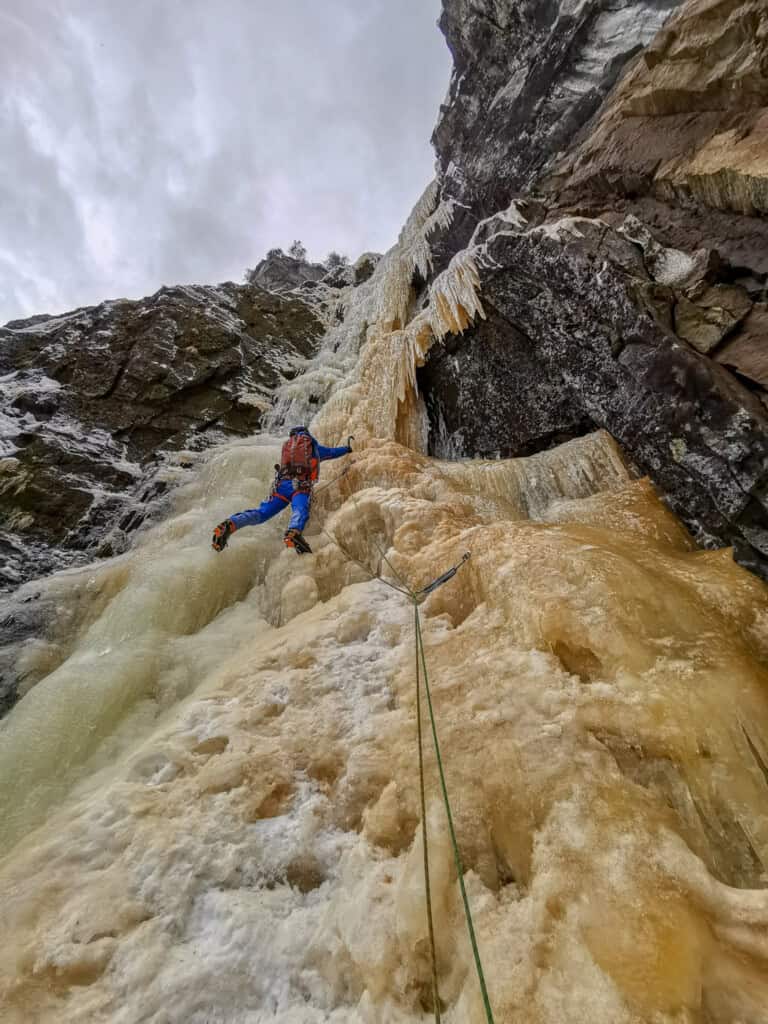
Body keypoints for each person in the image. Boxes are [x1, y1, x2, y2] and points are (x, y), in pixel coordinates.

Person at [211, 427, 352, 555]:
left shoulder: (288, 448)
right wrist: (347, 449)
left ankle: (232, 523)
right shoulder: (312, 447)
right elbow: (332, 453)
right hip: (300, 487)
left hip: (281, 487)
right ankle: (294, 531)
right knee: (300, 510)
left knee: (261, 513)